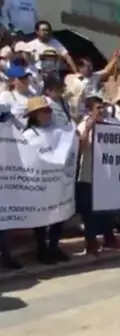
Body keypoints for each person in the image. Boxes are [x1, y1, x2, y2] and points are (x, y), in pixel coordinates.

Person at [23, 96, 71, 264]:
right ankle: (42, 250)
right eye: (43, 111)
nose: (47, 114)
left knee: (59, 216)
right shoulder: (28, 135)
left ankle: (54, 247)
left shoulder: (58, 131)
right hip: (39, 183)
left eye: (48, 111)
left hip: (57, 181)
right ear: (34, 114)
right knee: (41, 219)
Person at [76, 95, 120, 255]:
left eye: (103, 107)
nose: (102, 110)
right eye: (98, 108)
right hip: (88, 177)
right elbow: (80, 147)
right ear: (89, 111)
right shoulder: (83, 125)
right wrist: (88, 129)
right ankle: (91, 243)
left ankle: (109, 239)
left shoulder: (108, 125)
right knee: (89, 214)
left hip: (105, 177)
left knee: (107, 211)